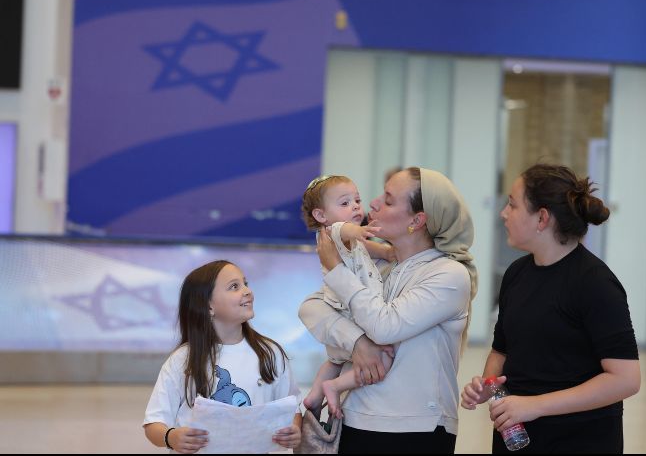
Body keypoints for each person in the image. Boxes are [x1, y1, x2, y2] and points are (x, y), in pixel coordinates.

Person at [460, 164, 641, 454]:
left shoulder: (595, 283)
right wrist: (489, 387)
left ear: (542, 218)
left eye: (512, 205)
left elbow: (626, 379)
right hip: (517, 439)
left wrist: (535, 406)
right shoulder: (516, 274)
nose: (503, 213)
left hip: (578, 440)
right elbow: (501, 351)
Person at [299, 167, 477, 454]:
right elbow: (311, 307)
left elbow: (385, 327)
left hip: (416, 429)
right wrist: (357, 343)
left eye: (389, 200)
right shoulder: (375, 265)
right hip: (353, 417)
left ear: (417, 221)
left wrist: (335, 269)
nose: (373, 203)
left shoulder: (448, 274)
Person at [143, 260, 302, 453]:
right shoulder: (182, 359)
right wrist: (172, 437)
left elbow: (292, 408)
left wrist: (294, 430)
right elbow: (153, 423)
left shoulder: (271, 354)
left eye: (245, 284)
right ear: (208, 306)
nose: (247, 291)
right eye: (234, 286)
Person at [300, 174, 395, 420]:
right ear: (321, 215)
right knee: (384, 359)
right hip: (350, 311)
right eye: (344, 203)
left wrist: (385, 251)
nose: (355, 206)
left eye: (357, 200)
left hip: (343, 310)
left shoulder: (346, 238)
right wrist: (361, 230)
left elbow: (365, 246)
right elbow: (348, 230)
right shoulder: (333, 230)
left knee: (334, 361)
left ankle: (314, 395)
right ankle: (335, 386)